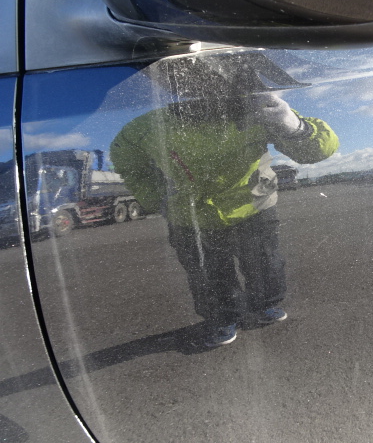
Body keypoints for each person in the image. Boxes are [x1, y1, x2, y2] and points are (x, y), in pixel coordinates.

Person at [110, 69, 338, 347]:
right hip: (190, 217)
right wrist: (158, 199)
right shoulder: (144, 128)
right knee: (208, 276)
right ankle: (221, 319)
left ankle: (265, 304)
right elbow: (130, 164)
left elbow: (317, 151)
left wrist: (294, 125)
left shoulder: (260, 110)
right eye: (193, 84)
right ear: (178, 89)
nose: (207, 92)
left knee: (265, 264)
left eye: (217, 83)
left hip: (253, 206)